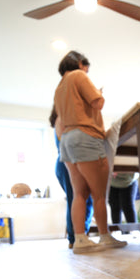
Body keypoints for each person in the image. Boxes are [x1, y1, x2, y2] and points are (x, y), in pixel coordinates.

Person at [54, 50, 126, 254]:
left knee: (79, 193)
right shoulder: (79, 75)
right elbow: (98, 102)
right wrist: (99, 93)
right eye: (86, 66)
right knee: (99, 193)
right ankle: (105, 237)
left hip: (66, 140)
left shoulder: (59, 87)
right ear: (80, 63)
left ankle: (80, 240)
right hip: (85, 136)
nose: (87, 70)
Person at [49, 106, 94, 249]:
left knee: (79, 199)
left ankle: (77, 237)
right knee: (78, 198)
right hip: (69, 162)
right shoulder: (63, 119)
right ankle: (76, 238)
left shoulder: (62, 119)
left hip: (66, 162)